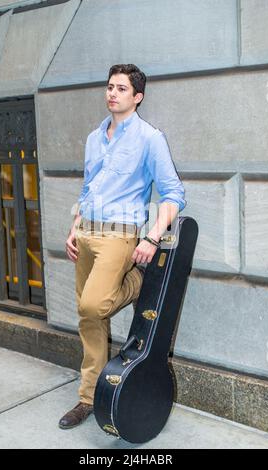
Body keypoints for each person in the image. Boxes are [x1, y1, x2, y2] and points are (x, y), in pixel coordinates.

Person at [59, 64, 186, 429]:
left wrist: (151, 238)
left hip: (120, 235)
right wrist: (74, 227)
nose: (112, 93)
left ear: (137, 97)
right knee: (89, 319)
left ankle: (136, 281)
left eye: (121, 89)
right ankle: (88, 398)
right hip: (87, 233)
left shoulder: (149, 138)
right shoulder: (94, 137)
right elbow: (88, 190)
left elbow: (173, 194)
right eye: (110, 87)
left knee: (94, 303)